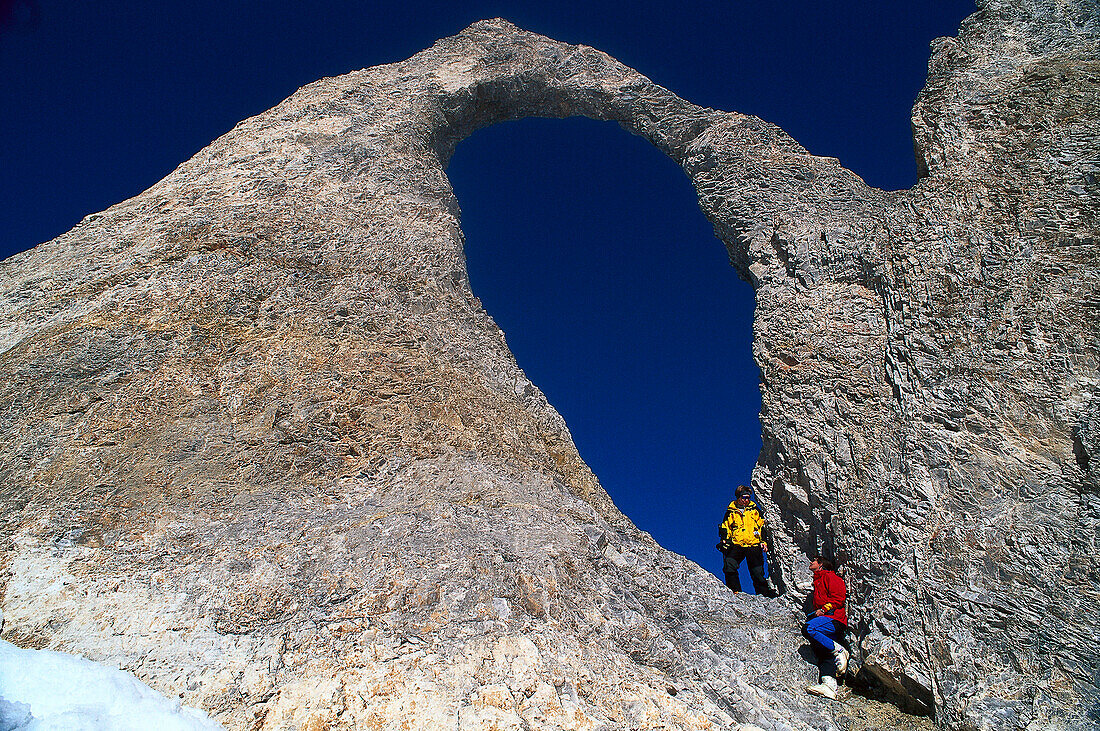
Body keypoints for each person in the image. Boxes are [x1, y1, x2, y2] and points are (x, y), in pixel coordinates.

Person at [804, 555, 850, 700]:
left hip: (834, 619)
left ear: (821, 565)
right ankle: (829, 686)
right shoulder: (818, 581)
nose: (811, 562)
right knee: (823, 652)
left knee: (808, 629)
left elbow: (839, 598)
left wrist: (824, 609)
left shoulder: (830, 577)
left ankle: (840, 650)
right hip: (826, 621)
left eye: (814, 561)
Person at [717, 485, 777, 596]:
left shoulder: (754, 510)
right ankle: (735, 591)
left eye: (748, 497)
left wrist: (763, 541)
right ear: (738, 497)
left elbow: (762, 526)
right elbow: (726, 528)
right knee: (729, 565)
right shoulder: (730, 512)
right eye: (744, 497)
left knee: (757, 573)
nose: (746, 500)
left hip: (753, 544)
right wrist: (724, 541)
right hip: (737, 544)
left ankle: (764, 596)